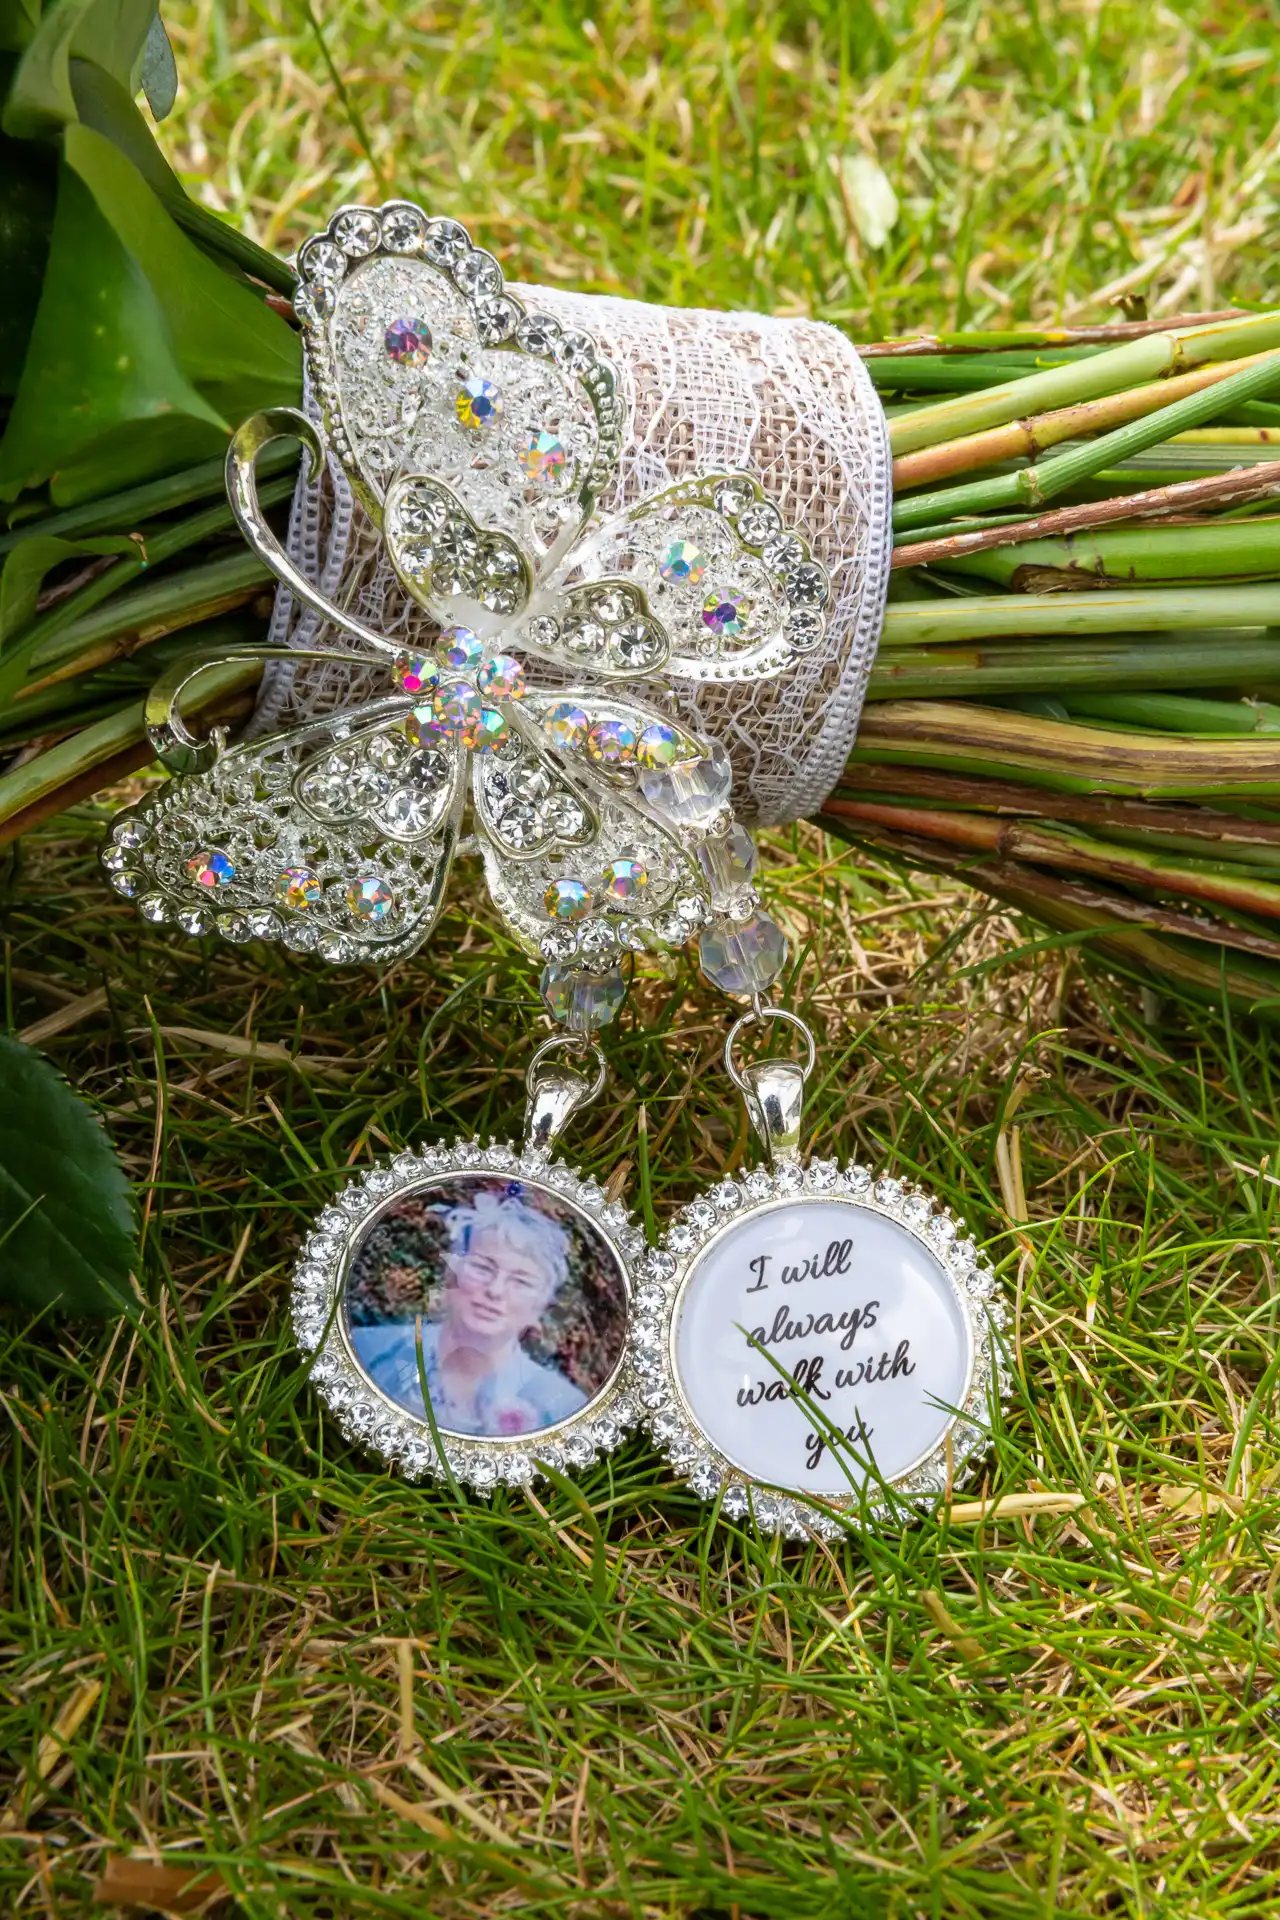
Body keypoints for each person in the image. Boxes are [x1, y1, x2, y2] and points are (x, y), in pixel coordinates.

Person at [350, 1186, 590, 1436]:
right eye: (483, 1268)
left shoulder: (564, 1408)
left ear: (541, 1306)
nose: (495, 1290)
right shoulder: (367, 1350)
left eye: (521, 1281)